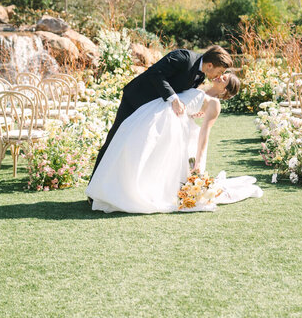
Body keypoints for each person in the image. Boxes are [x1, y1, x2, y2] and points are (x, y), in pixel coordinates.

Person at [85, 73, 263, 214]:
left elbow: (204, 133)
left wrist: (198, 162)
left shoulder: (215, 104)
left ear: (225, 90)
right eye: (222, 74)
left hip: (173, 127)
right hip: (162, 115)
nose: (219, 76)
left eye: (224, 79)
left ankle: (133, 193)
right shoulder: (200, 87)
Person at [89, 45, 233, 180]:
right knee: (115, 138)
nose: (217, 76)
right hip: (136, 99)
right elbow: (155, 73)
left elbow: (184, 91)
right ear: (210, 65)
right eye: (219, 72)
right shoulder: (183, 57)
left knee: (135, 145)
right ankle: (95, 185)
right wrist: (174, 99)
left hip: (153, 109)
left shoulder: (201, 75)